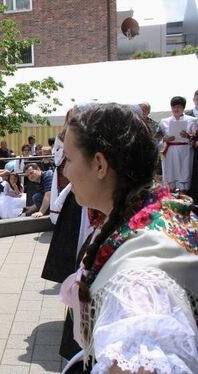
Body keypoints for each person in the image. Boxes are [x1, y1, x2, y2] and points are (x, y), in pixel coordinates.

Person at [58, 103, 198, 372]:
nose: (64, 171)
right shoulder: (152, 210)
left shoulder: (137, 281)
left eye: (69, 159)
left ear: (99, 164)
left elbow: (145, 356)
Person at [158, 96, 197, 192]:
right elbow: (156, 138)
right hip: (170, 151)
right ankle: (170, 197)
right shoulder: (164, 122)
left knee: (184, 173)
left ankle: (184, 197)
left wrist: (188, 136)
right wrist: (164, 139)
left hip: (186, 152)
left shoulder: (192, 120)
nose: (176, 109)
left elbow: (195, 138)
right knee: (170, 175)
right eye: (174, 107)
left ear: (183, 108)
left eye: (179, 107)